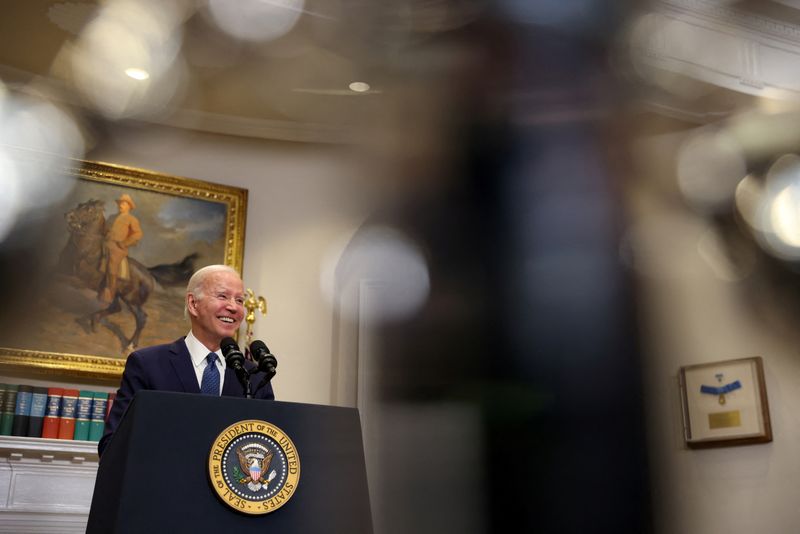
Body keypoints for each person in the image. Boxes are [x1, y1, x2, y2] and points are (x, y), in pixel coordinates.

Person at [98, 264, 275, 456]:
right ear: (193, 304)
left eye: (240, 300)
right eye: (223, 296)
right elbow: (112, 445)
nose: (233, 307)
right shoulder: (147, 365)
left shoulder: (255, 377)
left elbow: (267, 451)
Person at [98, 193, 143, 303]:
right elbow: (104, 230)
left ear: (129, 206)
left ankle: (110, 294)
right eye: (119, 203)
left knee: (112, 265)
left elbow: (138, 234)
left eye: (123, 203)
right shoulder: (112, 217)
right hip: (106, 244)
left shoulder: (131, 219)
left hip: (118, 248)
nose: (120, 205)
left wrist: (125, 243)